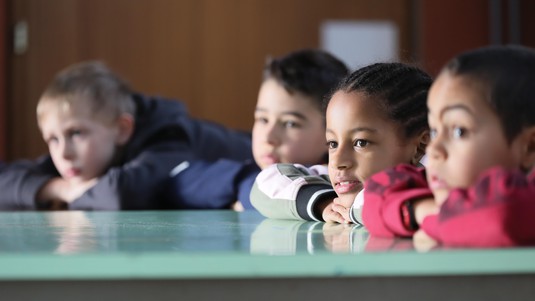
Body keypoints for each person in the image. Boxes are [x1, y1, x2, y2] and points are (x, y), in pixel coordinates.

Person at [0, 61, 253, 210]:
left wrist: (67, 192)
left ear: (122, 129)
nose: (63, 153)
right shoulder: (81, 160)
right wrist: (58, 187)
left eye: (76, 133)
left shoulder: (167, 137)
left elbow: (122, 193)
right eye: (52, 139)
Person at [362, 45, 535, 248]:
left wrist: (423, 216)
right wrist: (425, 209)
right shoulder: (457, 185)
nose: (433, 150)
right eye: (435, 131)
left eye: (459, 131)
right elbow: (376, 192)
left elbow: (499, 217)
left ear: (529, 147)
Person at [164, 49, 349, 210]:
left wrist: (253, 195)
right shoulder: (251, 169)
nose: (268, 137)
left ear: (332, 134)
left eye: (290, 123)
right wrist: (247, 184)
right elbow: (178, 182)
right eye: (262, 119)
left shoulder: (339, 184)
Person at [250, 62, 432, 223]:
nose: (337, 161)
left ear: (419, 148)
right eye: (332, 144)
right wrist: (323, 202)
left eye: (361, 142)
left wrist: (354, 211)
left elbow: (381, 199)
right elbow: (265, 184)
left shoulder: (437, 190)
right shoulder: (342, 183)